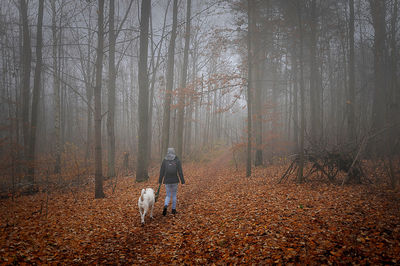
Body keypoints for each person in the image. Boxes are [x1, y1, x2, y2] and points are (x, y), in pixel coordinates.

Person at [159, 148, 185, 216]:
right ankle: (173, 210)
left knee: (168, 195)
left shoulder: (165, 160)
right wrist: (183, 181)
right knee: (174, 195)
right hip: (175, 180)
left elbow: (161, 171)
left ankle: (165, 205)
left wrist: (160, 181)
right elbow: (180, 172)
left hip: (167, 180)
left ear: (167, 152)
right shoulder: (176, 160)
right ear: (174, 152)